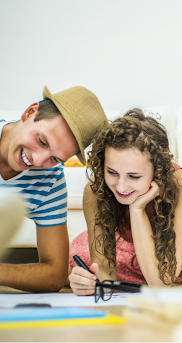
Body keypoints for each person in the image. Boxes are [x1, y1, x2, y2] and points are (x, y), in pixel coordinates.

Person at [68, 109, 182, 294]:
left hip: (174, 269)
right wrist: (88, 284)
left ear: (158, 170)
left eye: (134, 176)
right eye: (112, 172)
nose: (121, 187)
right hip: (128, 257)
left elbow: (162, 284)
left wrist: (137, 209)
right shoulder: (97, 189)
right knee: (79, 255)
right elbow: (106, 276)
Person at [0, 86, 107, 292]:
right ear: (30, 112)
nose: (38, 160)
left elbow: (55, 275)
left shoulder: (51, 181)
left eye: (55, 158)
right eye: (41, 140)